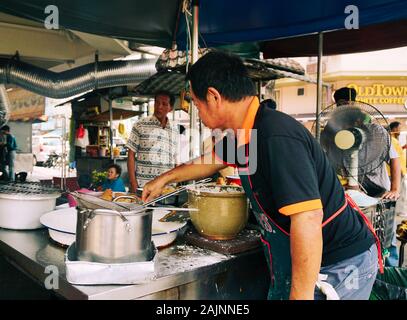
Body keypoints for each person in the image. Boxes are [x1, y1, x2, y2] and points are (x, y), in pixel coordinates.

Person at [142, 51, 381, 300]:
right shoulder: (245, 134)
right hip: (309, 260)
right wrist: (164, 179)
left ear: (213, 97)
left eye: (195, 102)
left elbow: (308, 218)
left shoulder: (275, 135)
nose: (197, 111)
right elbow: (208, 162)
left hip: (340, 263)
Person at [332, 87, 401, 200]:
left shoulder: (377, 132)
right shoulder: (337, 137)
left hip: (381, 192)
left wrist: (395, 190)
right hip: (355, 192)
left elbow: (394, 159)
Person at [127, 91, 179, 192]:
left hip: (167, 188)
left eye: (164, 104)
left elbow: (176, 157)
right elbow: (131, 155)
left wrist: (176, 183)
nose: (159, 106)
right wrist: (133, 183)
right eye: (157, 102)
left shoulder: (175, 129)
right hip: (144, 186)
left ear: (170, 108)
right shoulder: (140, 125)